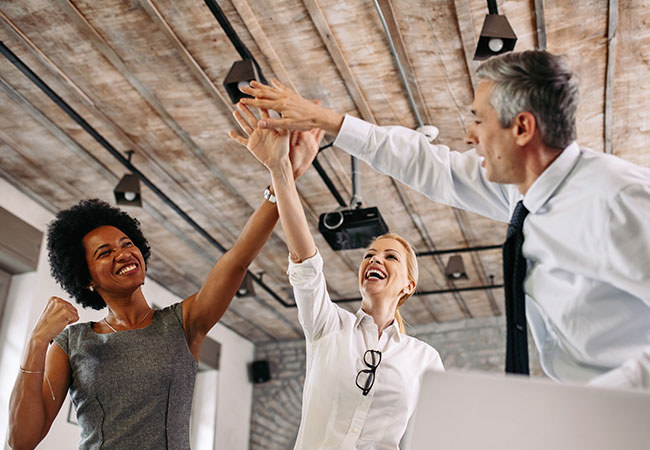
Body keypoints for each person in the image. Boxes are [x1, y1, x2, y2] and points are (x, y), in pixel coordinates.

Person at [239, 50, 650, 390]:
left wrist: (600, 407)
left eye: (478, 120)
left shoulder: (618, 198)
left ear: (522, 127)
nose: (470, 136)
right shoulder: (525, 195)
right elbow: (430, 165)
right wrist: (328, 123)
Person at [7, 135, 318, 449]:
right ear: (86, 279)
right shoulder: (71, 343)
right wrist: (37, 341)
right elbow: (21, 441)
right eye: (104, 253)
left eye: (127, 244)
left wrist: (281, 178)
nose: (123, 253)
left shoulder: (183, 324)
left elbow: (237, 259)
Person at [229, 103, 444, 449]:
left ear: (409, 285)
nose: (376, 259)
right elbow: (305, 260)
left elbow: (426, 440)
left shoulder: (424, 360)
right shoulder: (326, 325)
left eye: (391, 256)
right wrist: (280, 171)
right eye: (370, 254)